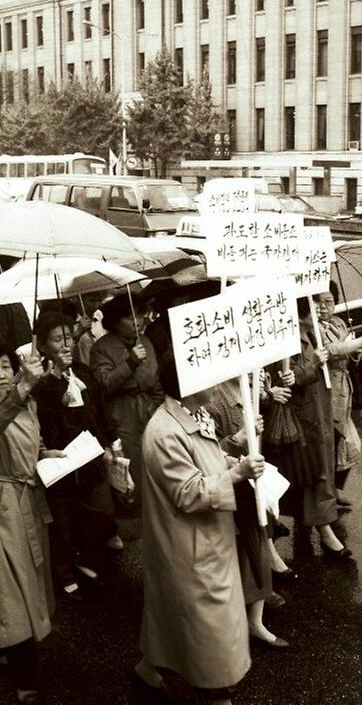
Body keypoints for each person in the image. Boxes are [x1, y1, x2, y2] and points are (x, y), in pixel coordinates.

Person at [136, 354, 265, 705]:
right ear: (190, 385)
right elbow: (189, 493)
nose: (217, 382)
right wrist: (237, 475)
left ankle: (149, 673)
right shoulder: (164, 432)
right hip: (190, 547)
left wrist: (233, 455)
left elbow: (205, 459)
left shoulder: (193, 414)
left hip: (204, 540)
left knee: (175, 619)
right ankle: (215, 692)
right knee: (210, 637)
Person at [33, 312, 119, 599]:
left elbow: (97, 410)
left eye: (68, 336)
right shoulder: (38, 379)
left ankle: (86, 559)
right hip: (60, 458)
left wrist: (111, 441)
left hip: (90, 455)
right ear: (44, 346)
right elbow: (42, 413)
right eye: (57, 339)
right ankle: (65, 574)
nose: (65, 343)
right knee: (64, 523)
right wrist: (56, 375)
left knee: (103, 511)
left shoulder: (82, 371)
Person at [207, 378, 289, 648]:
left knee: (256, 546)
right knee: (240, 553)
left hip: (248, 484)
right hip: (227, 490)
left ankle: (255, 619)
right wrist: (238, 440)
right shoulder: (213, 400)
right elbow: (207, 456)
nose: (260, 372)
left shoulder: (249, 388)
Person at [0, 348, 61, 704]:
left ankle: (11, 652)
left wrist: (44, 455)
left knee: (28, 586)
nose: (1, 373)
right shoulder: (14, 401)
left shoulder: (28, 403)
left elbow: (29, 447)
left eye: (5, 365)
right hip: (4, 509)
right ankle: (26, 676)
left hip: (26, 501)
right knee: (11, 596)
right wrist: (24, 385)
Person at [290, 297, 351, 559]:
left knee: (318, 469)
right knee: (311, 471)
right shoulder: (289, 339)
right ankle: (322, 528)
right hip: (303, 416)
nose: (319, 309)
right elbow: (291, 377)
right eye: (313, 305)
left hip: (320, 409)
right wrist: (314, 361)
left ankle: (319, 524)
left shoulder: (314, 332)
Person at [89, 293, 163, 506]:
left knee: (154, 458)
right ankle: (131, 510)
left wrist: (156, 407)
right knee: (129, 462)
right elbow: (105, 384)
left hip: (149, 407)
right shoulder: (101, 347)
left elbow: (156, 379)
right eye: (129, 317)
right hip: (121, 412)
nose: (137, 321)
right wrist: (130, 362)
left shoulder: (146, 342)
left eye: (139, 315)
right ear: (114, 321)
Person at [316, 286, 362, 508]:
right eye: (318, 302)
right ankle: (325, 497)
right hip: (325, 393)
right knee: (330, 448)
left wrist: (357, 351)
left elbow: (348, 356)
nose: (323, 308)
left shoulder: (340, 323)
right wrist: (356, 343)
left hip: (344, 393)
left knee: (351, 447)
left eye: (329, 302)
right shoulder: (311, 328)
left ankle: (335, 489)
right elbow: (330, 349)